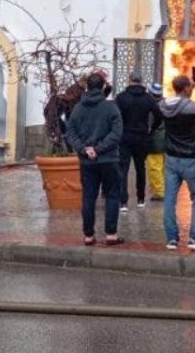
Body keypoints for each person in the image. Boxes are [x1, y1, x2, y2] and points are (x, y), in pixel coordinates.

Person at [65, 73, 125, 246]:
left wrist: (85, 149)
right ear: (102, 87)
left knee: (88, 197)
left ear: (87, 87)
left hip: (87, 161)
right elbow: (116, 133)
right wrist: (98, 149)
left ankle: (88, 235)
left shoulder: (78, 108)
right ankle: (111, 234)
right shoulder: (111, 107)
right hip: (108, 159)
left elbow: (71, 132)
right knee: (112, 195)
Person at [158, 75, 195, 251]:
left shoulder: (163, 106)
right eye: (191, 86)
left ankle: (172, 239)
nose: (192, 89)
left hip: (171, 159)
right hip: (190, 160)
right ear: (186, 89)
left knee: (169, 199)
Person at [115, 72, 162, 210]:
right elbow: (158, 115)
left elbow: (115, 116)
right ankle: (141, 199)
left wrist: (118, 130)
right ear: (141, 81)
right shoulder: (148, 98)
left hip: (125, 136)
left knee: (123, 169)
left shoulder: (121, 97)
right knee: (140, 168)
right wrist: (151, 129)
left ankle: (123, 202)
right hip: (142, 136)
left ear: (129, 81)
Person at [145, 83, 167, 202]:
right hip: (164, 137)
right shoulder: (165, 103)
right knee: (162, 166)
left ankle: (159, 192)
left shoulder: (152, 107)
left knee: (154, 166)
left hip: (155, 139)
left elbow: (149, 124)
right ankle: (161, 188)